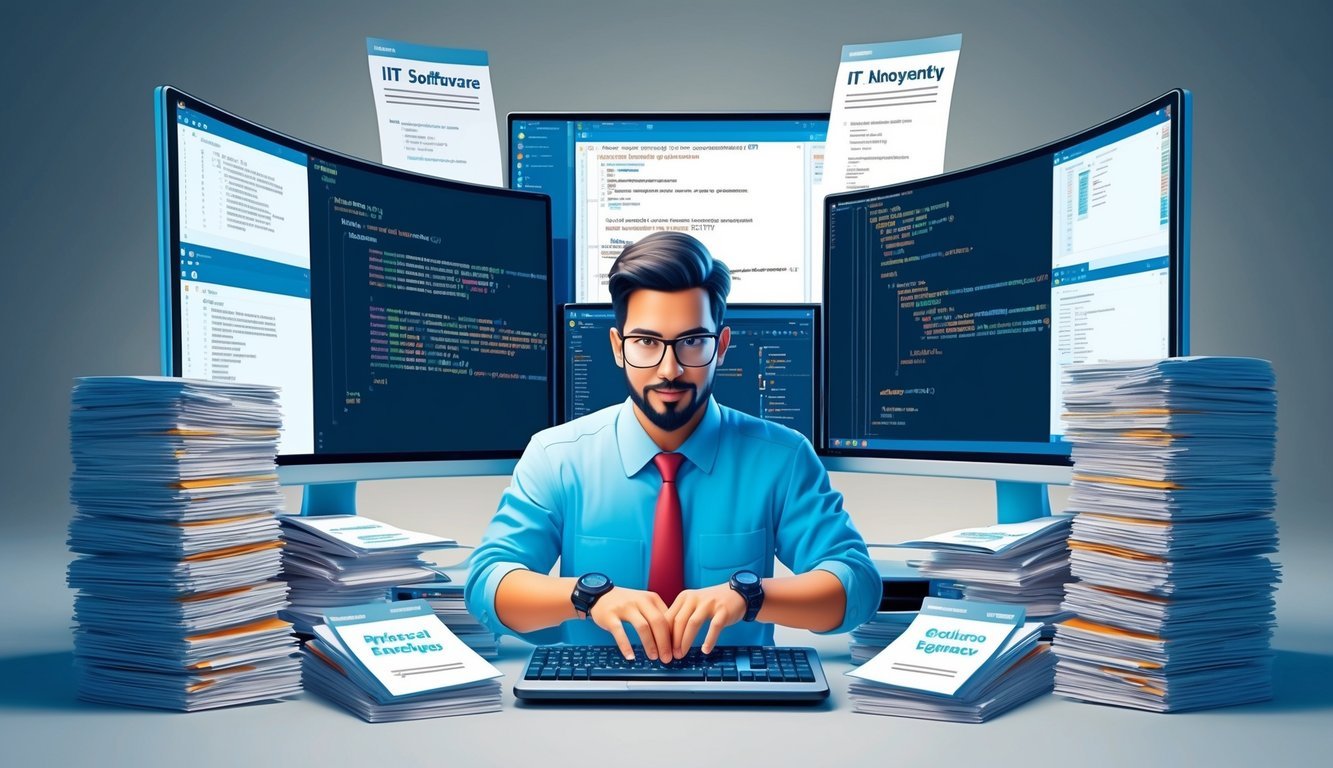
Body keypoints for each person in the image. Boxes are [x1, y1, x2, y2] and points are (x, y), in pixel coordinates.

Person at [464, 231, 879, 663]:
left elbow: (858, 586)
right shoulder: (556, 457)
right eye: (646, 342)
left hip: (741, 702)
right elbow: (488, 584)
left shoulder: (784, 458)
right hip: (591, 703)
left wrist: (751, 596)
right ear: (617, 348)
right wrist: (585, 597)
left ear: (721, 346)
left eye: (692, 342)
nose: (670, 369)